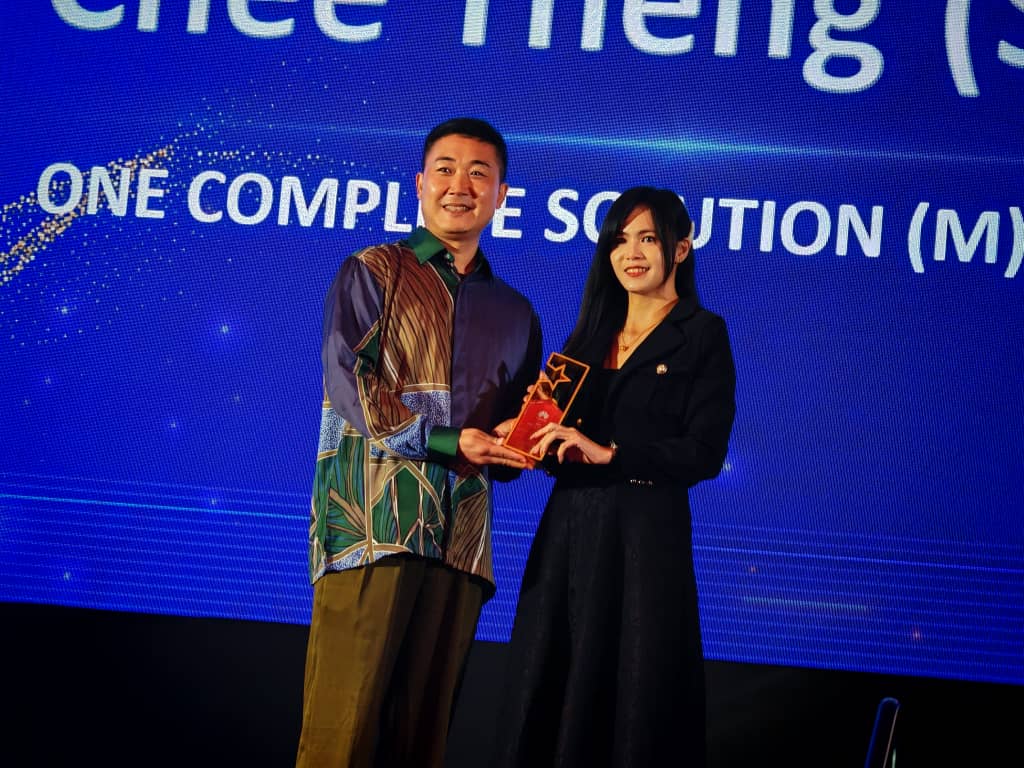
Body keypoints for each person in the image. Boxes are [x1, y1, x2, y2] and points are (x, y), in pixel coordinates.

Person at [295, 117, 542, 768]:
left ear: (502, 196)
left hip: (461, 545)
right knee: (338, 741)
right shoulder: (373, 270)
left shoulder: (516, 313)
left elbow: (509, 440)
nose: (460, 185)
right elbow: (352, 387)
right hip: (371, 530)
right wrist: (448, 439)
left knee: (420, 745)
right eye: (446, 169)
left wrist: (531, 443)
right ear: (419, 183)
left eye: (479, 173)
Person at [492, 186, 736, 767]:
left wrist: (611, 453)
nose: (631, 252)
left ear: (681, 247)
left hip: (644, 539)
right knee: (546, 683)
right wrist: (523, 433)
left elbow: (703, 453)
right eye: (619, 240)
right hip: (569, 535)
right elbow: (554, 451)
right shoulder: (586, 337)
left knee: (635, 696)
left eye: (647, 238)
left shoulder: (703, 333)